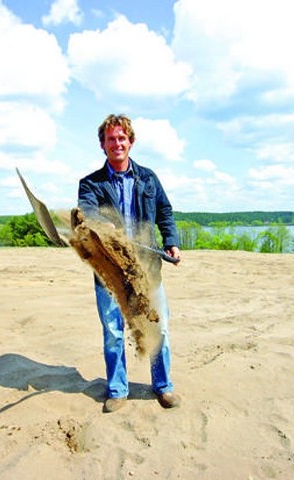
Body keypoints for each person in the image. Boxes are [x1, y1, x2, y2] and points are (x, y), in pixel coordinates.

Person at [77, 114, 182, 413]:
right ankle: (117, 389)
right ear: (103, 145)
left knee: (157, 328)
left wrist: (171, 240)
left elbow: (164, 211)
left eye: (122, 138)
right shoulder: (90, 184)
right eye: (111, 139)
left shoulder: (149, 178)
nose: (117, 143)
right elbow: (87, 215)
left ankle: (162, 386)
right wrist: (103, 231)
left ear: (131, 142)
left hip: (147, 269)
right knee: (114, 333)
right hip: (109, 273)